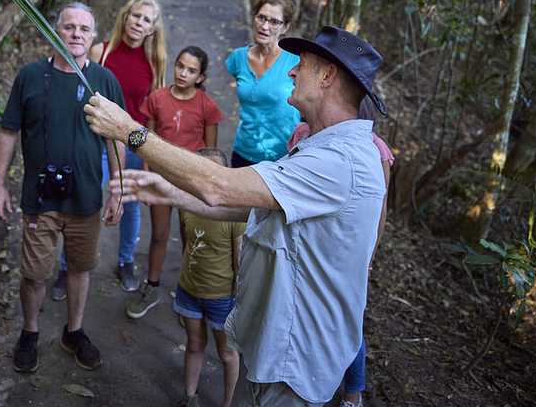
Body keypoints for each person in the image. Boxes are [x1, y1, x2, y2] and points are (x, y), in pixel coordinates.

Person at [84, 26, 389, 406]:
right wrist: (172, 191)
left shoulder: (337, 162)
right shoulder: (320, 145)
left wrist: (129, 130)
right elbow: (255, 202)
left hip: (296, 363)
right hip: (274, 348)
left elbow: (220, 185)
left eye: (302, 66)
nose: (292, 72)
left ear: (327, 76)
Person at [0, 2, 126, 374]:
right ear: (54, 32)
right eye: (69, 27)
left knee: (80, 269)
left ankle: (74, 331)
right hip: (40, 197)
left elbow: (117, 139)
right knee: (35, 273)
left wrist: (117, 189)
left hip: (86, 199)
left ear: (94, 37)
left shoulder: (104, 81)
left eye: (84, 29)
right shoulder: (31, 77)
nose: (76, 34)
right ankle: (30, 332)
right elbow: (7, 132)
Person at [53, 0, 168, 298]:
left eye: (146, 19)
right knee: (84, 200)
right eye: (135, 15)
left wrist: (149, 154)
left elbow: (153, 109)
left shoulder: (155, 62)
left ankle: (125, 260)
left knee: (128, 203)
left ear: (152, 28)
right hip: (95, 139)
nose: (138, 23)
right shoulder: (100, 51)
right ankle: (67, 267)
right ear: (125, 16)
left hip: (130, 142)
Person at [286, 100, 394, 407]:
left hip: (348, 251)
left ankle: (352, 392)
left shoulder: (375, 151)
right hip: (310, 247)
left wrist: (369, 258)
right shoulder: (302, 134)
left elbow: (379, 210)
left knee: (348, 321)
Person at [125, 46, 223, 319]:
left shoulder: (206, 106)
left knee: (192, 237)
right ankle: (152, 286)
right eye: (180, 66)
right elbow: (148, 140)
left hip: (190, 181)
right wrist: (147, 175)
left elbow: (211, 154)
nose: (183, 73)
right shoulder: (157, 99)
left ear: (200, 77)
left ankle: (189, 297)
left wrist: (204, 185)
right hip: (160, 177)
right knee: (159, 234)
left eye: (191, 70)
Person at [174, 147, 243, 407]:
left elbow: (239, 262)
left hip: (221, 297)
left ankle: (226, 403)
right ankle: (190, 396)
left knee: (226, 353)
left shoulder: (235, 214)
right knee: (194, 344)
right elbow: (186, 244)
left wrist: (238, 300)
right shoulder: (187, 205)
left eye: (214, 171)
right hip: (189, 290)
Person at [226, 0, 300, 168]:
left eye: (274, 22)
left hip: (282, 157)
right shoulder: (237, 58)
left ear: (285, 27)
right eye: (261, 18)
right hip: (243, 151)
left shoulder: (296, 62)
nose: (265, 26)